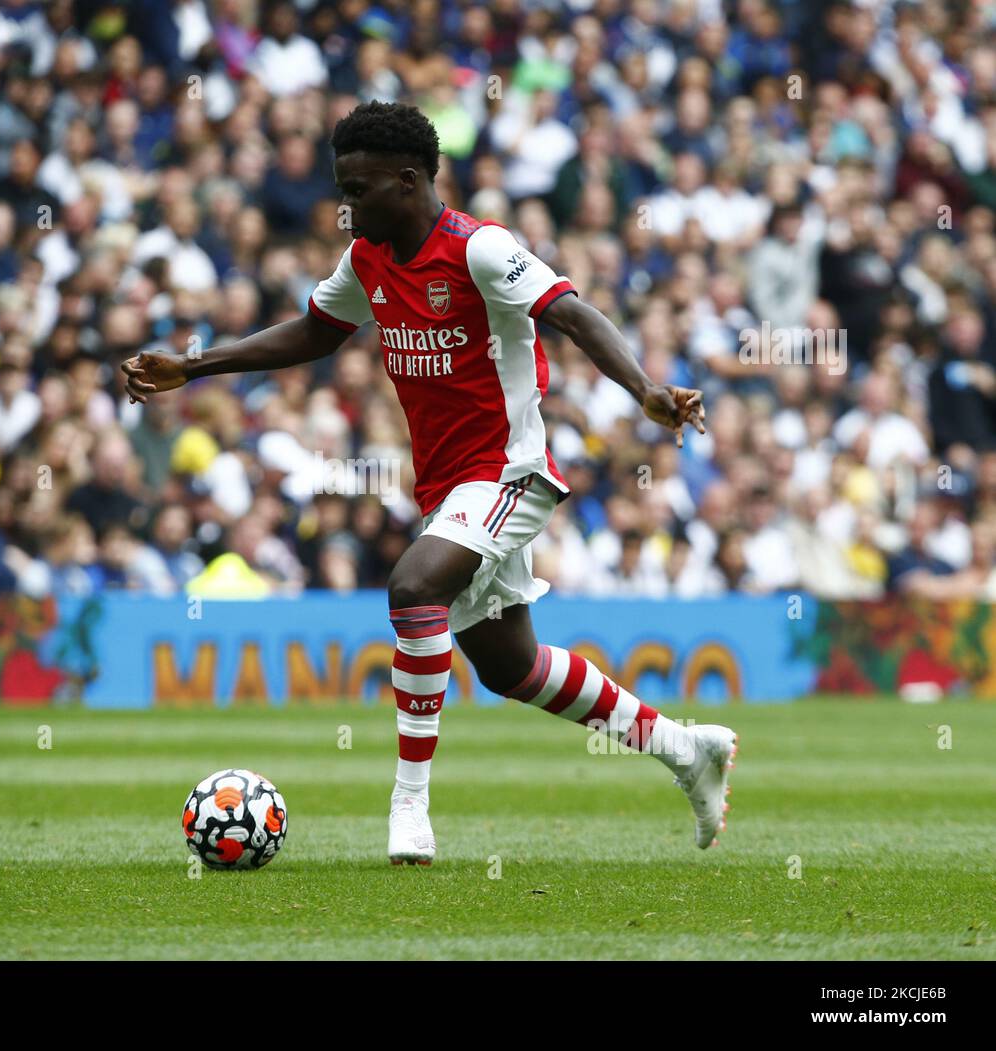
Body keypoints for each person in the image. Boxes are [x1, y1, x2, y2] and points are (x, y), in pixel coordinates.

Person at [122, 102, 736, 864]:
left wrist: (645, 389)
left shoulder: (481, 250)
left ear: (409, 181)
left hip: (510, 468)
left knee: (414, 587)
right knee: (511, 666)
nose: (345, 206)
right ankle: (687, 749)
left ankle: (409, 803)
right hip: (447, 488)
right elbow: (315, 331)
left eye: (359, 187)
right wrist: (196, 365)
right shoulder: (369, 258)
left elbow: (574, 315)